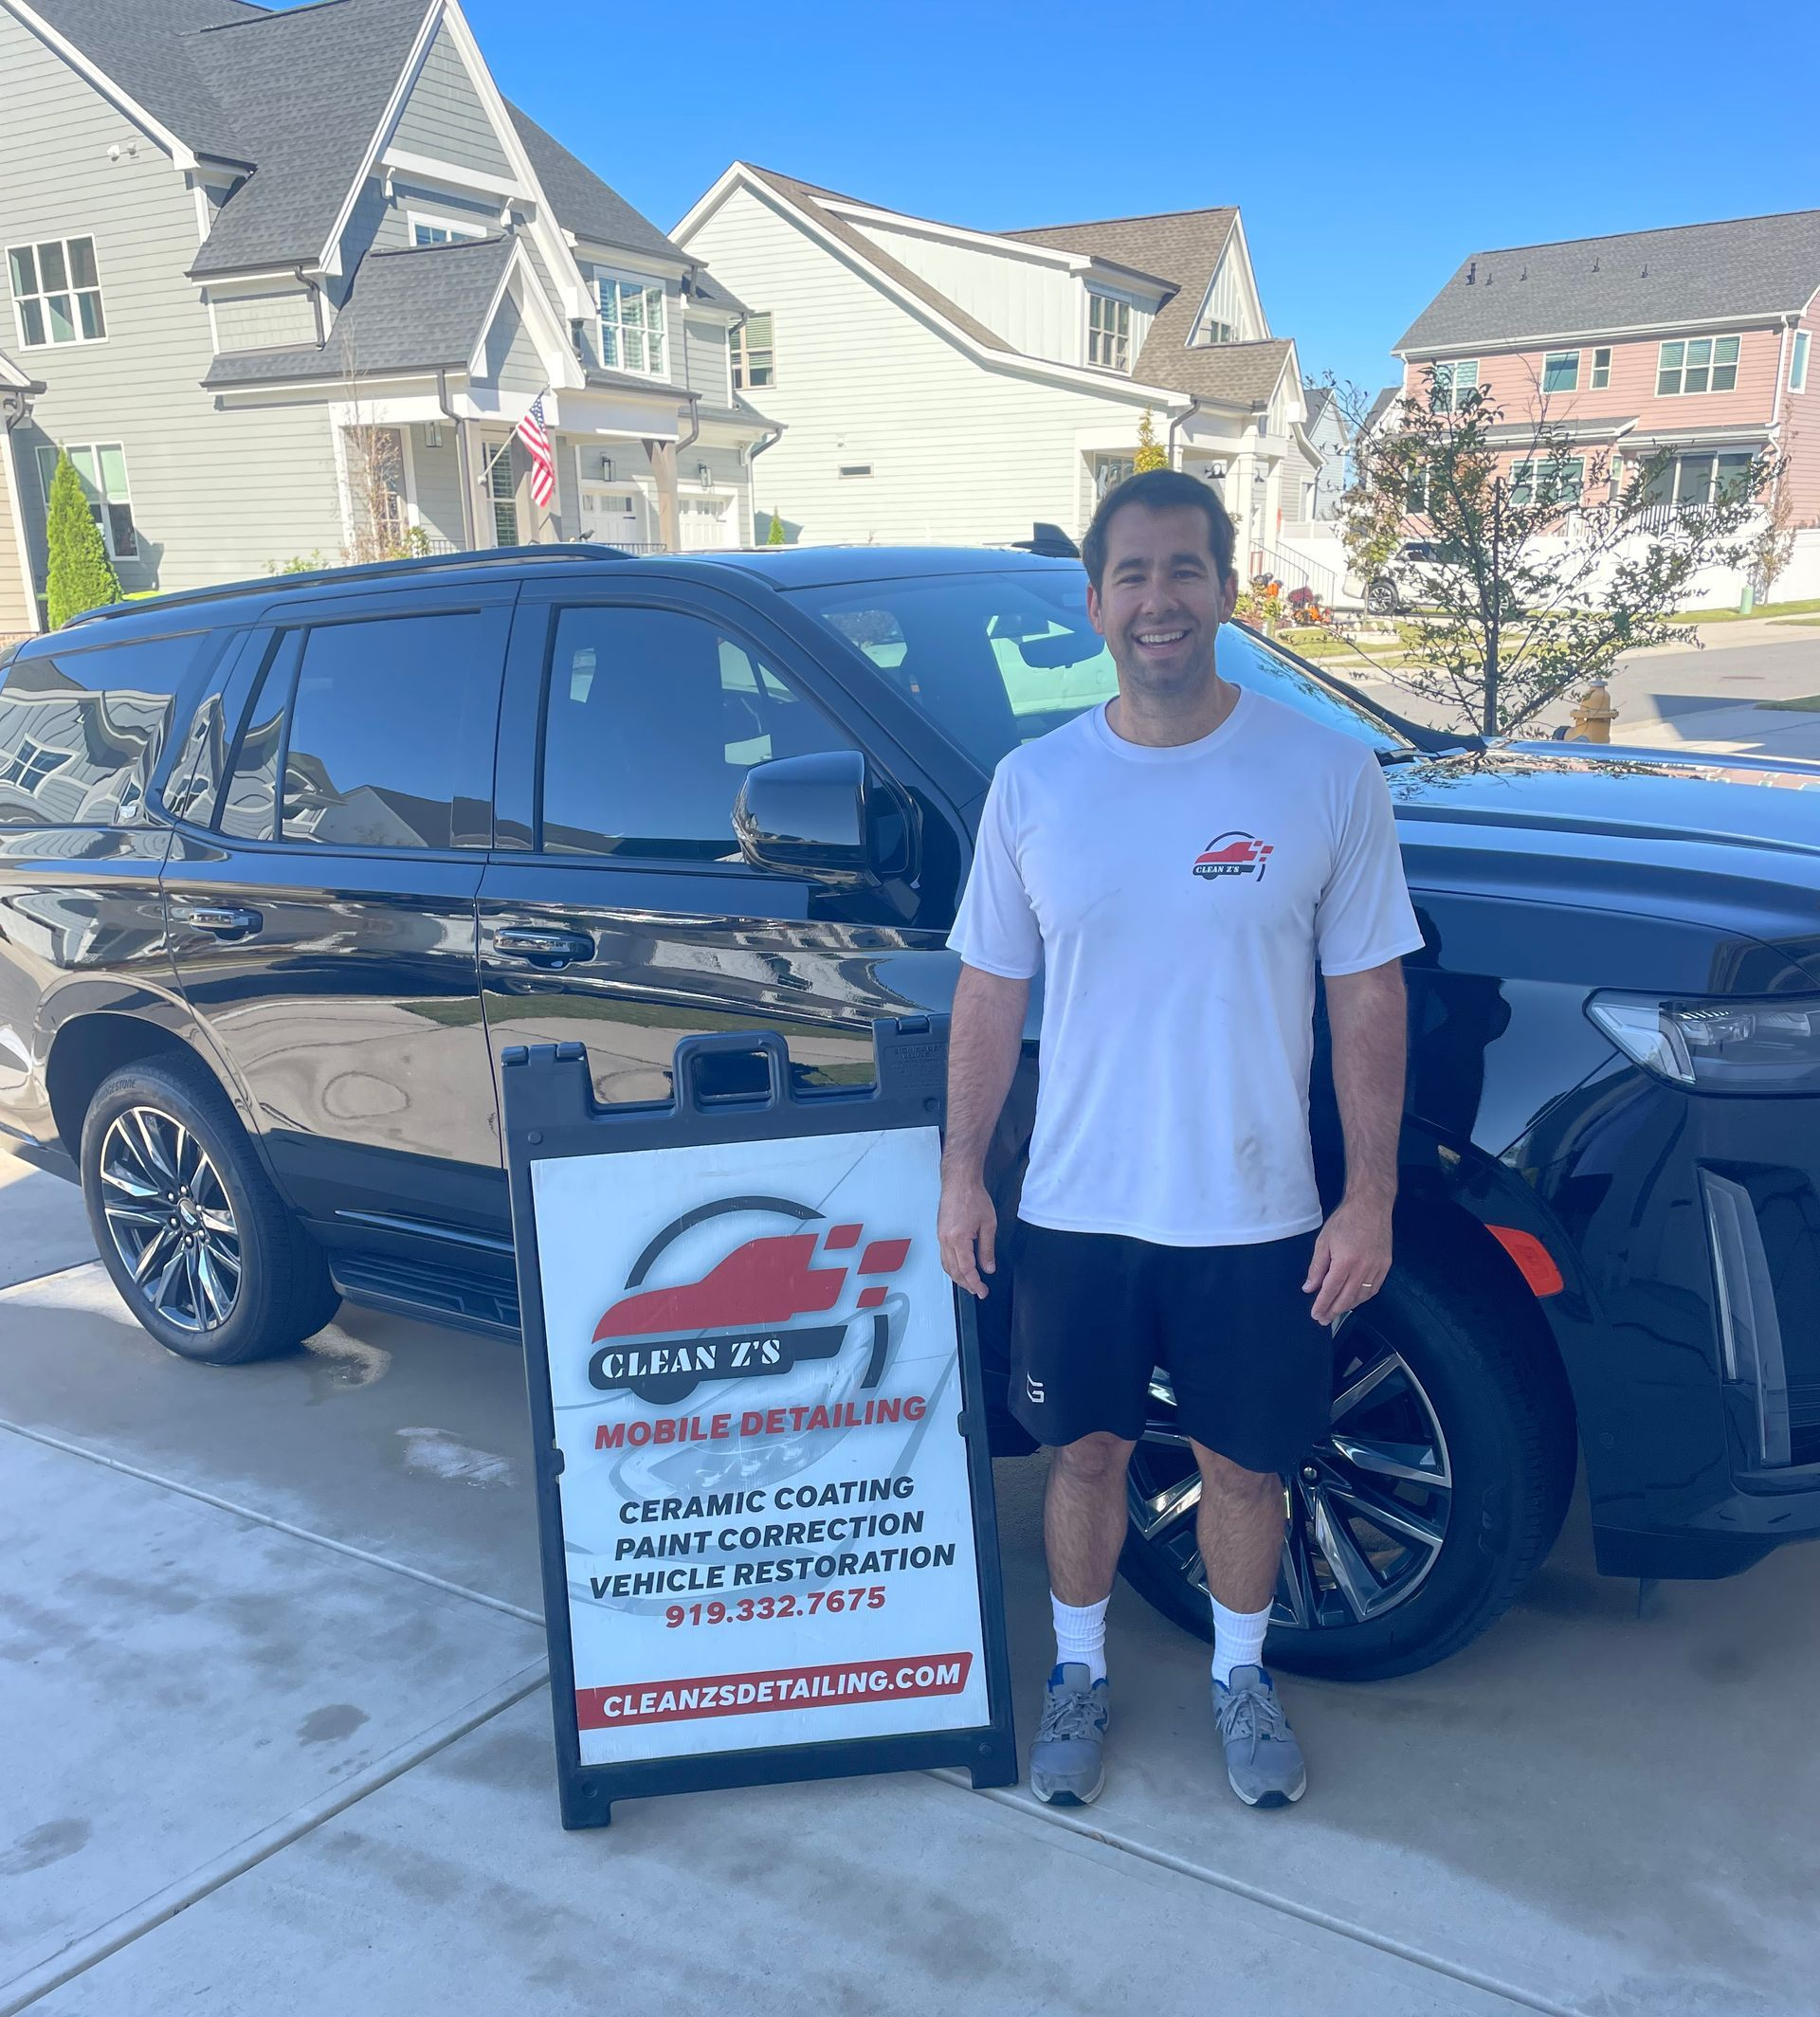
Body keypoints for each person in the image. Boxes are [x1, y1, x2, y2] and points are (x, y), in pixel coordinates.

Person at [937, 468, 1424, 1809]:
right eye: (1134, 575)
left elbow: (1369, 990)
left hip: (1256, 1213)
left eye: (1187, 570)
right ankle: (1081, 1673)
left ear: (1226, 588)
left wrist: (1367, 1196)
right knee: (1084, 1453)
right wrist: (961, 1175)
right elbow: (990, 991)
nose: (1161, 600)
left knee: (1245, 1465)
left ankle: (1239, 1679)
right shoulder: (1034, 785)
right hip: (1078, 1211)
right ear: (1095, 604)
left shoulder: (1323, 773)